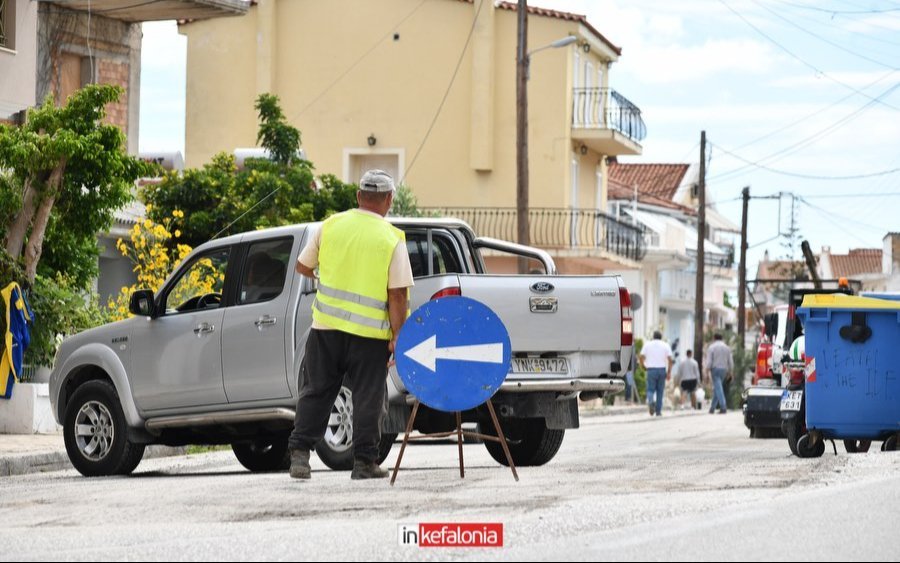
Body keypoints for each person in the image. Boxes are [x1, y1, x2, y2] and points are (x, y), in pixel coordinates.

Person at [288, 169, 413, 480]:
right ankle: (364, 463)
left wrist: (327, 276)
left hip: (325, 329)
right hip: (369, 337)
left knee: (316, 391)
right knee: (369, 397)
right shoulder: (391, 238)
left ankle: (300, 457)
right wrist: (399, 335)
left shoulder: (330, 226)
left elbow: (303, 265)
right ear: (389, 200)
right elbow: (397, 294)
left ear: (358, 197)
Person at [639, 331, 673, 417]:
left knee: (650, 389)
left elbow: (641, 357)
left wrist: (643, 366)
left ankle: (651, 402)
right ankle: (658, 411)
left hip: (651, 370)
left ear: (653, 337)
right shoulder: (665, 345)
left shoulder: (647, 345)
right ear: (661, 337)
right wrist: (669, 372)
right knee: (660, 391)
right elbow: (670, 360)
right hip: (662, 370)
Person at [705, 333, 734, 414]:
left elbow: (709, 361)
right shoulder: (727, 348)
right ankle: (712, 408)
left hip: (715, 369)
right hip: (724, 370)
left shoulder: (712, 347)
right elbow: (730, 361)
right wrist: (731, 371)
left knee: (718, 387)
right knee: (718, 388)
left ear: (714, 338)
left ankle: (723, 406)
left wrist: (706, 371)